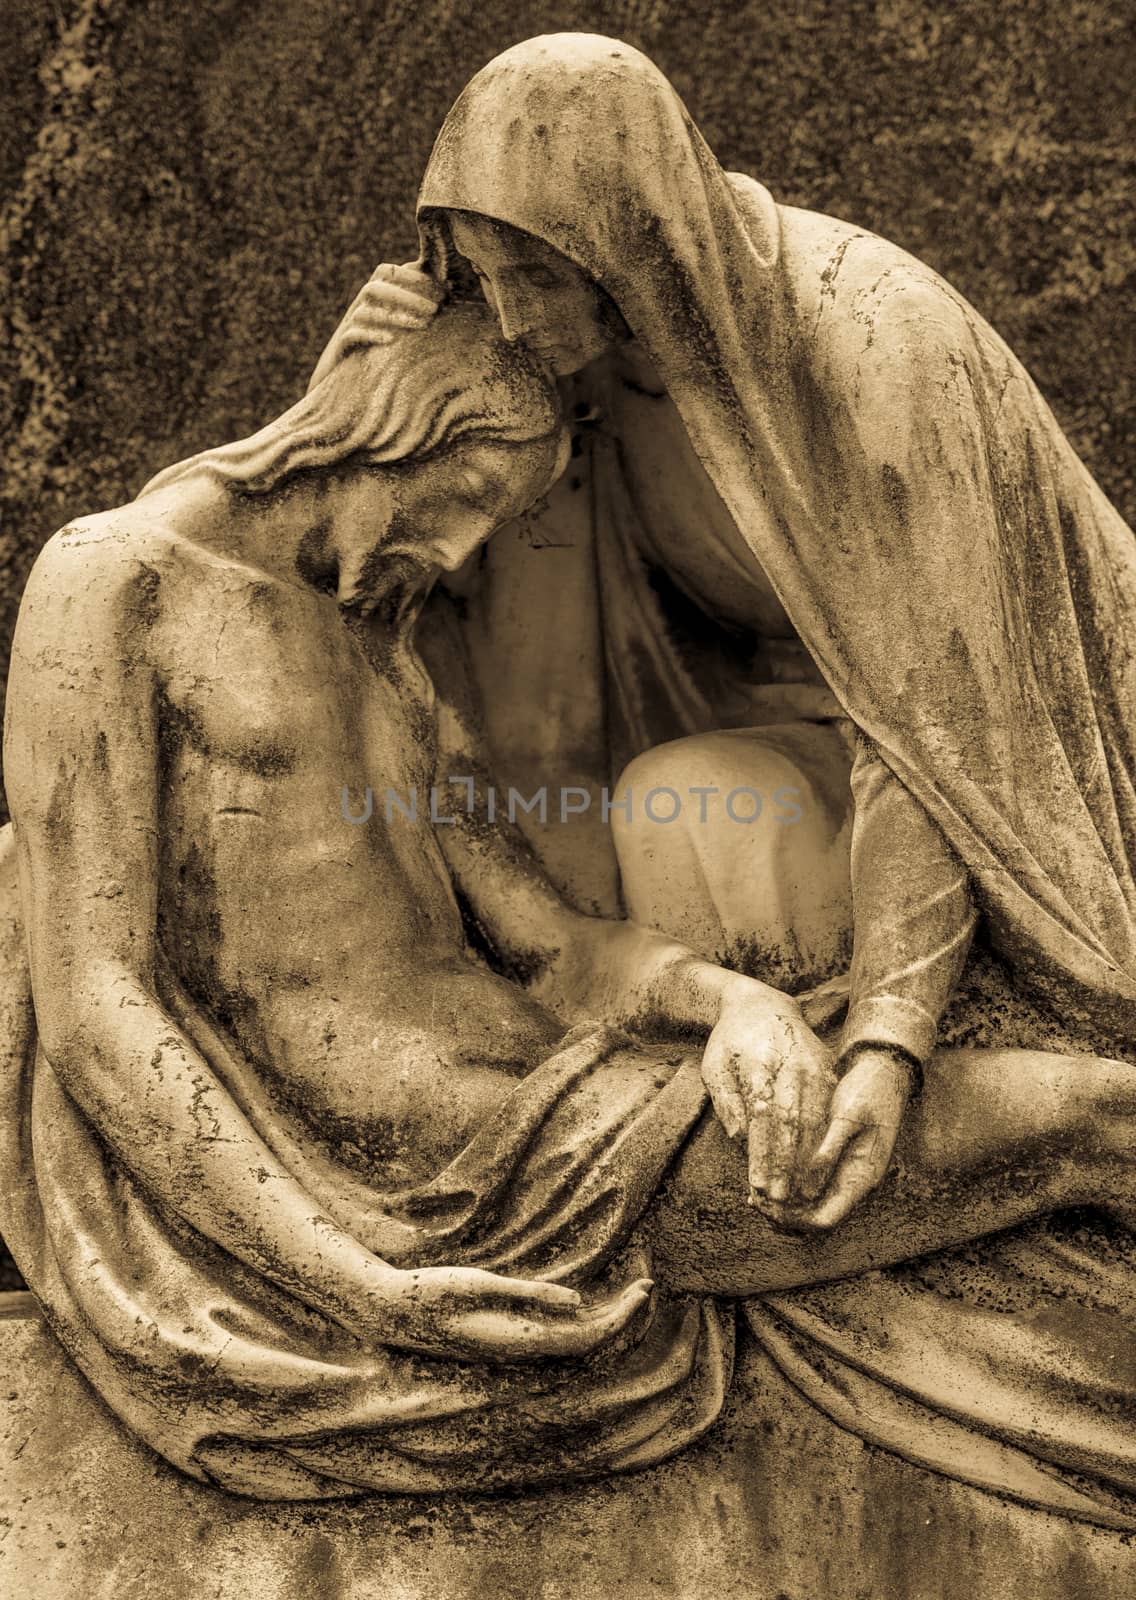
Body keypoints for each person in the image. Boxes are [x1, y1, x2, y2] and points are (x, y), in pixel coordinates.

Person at [3, 293, 1135, 1510]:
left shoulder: (382, 651)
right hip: (457, 1195)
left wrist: (734, 1003)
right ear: (387, 428)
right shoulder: (112, 580)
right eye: (467, 503)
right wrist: (348, 1274)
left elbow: (552, 949)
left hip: (562, 1102)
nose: (459, 556)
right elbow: (97, 999)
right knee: (1095, 1116)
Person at [318, 31, 1136, 1234]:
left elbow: (938, 724)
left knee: (687, 809)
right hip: (804, 745)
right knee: (652, 820)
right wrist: (354, 388)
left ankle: (888, 1140)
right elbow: (416, 597)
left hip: (1035, 791)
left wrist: (890, 1043)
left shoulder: (866, 344)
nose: (507, 312)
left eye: (531, 275)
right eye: (481, 274)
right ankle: (749, 1125)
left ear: (627, 236)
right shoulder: (588, 369)